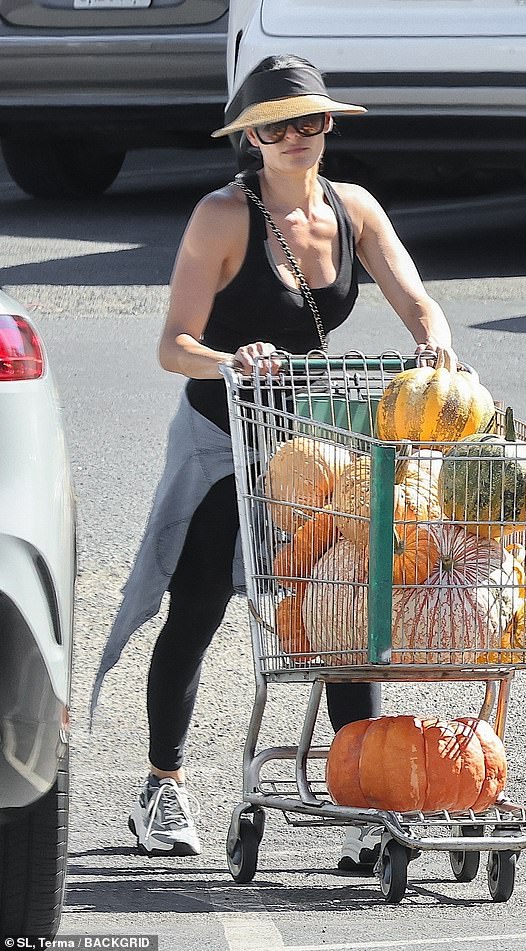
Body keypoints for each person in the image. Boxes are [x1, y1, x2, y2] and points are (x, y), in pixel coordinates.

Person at [90, 54, 453, 870]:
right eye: (278, 124)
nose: (296, 136)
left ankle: (368, 797)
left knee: (340, 609)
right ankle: (161, 782)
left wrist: (434, 340)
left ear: (329, 128)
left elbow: (415, 296)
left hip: (315, 446)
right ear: (250, 137)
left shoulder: (352, 208)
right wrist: (228, 357)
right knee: (199, 605)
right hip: (222, 438)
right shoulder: (222, 216)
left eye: (312, 121)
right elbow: (172, 346)